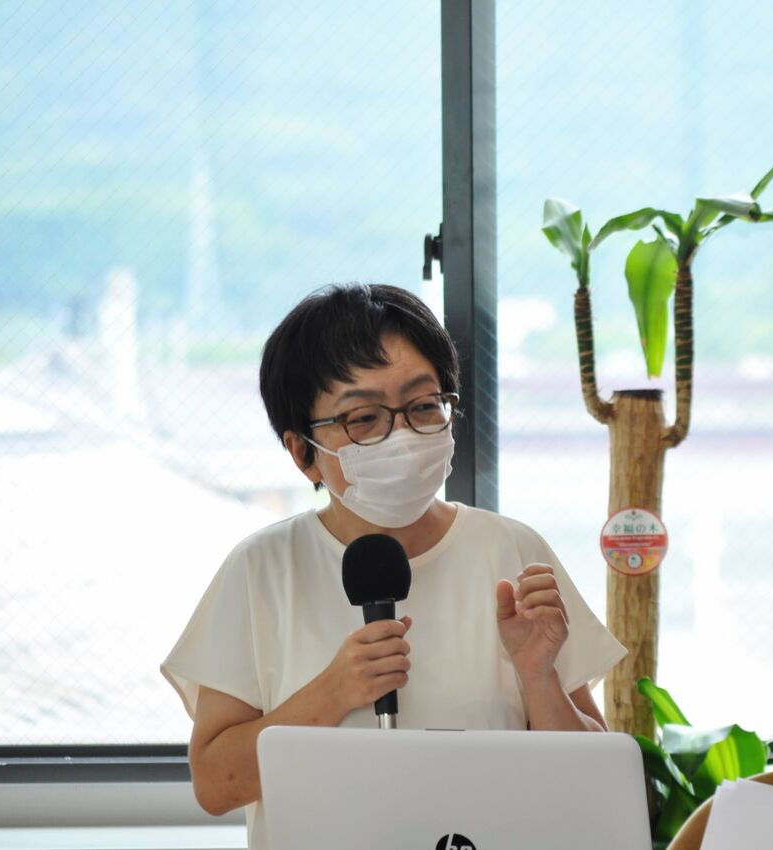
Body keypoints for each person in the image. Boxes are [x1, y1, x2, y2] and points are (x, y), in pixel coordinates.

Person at [161, 283, 626, 848]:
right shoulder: (261, 570)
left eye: (423, 406)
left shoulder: (511, 550)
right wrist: (332, 693)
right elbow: (215, 784)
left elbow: (592, 784)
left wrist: (539, 676)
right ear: (303, 452)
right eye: (364, 417)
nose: (401, 435)